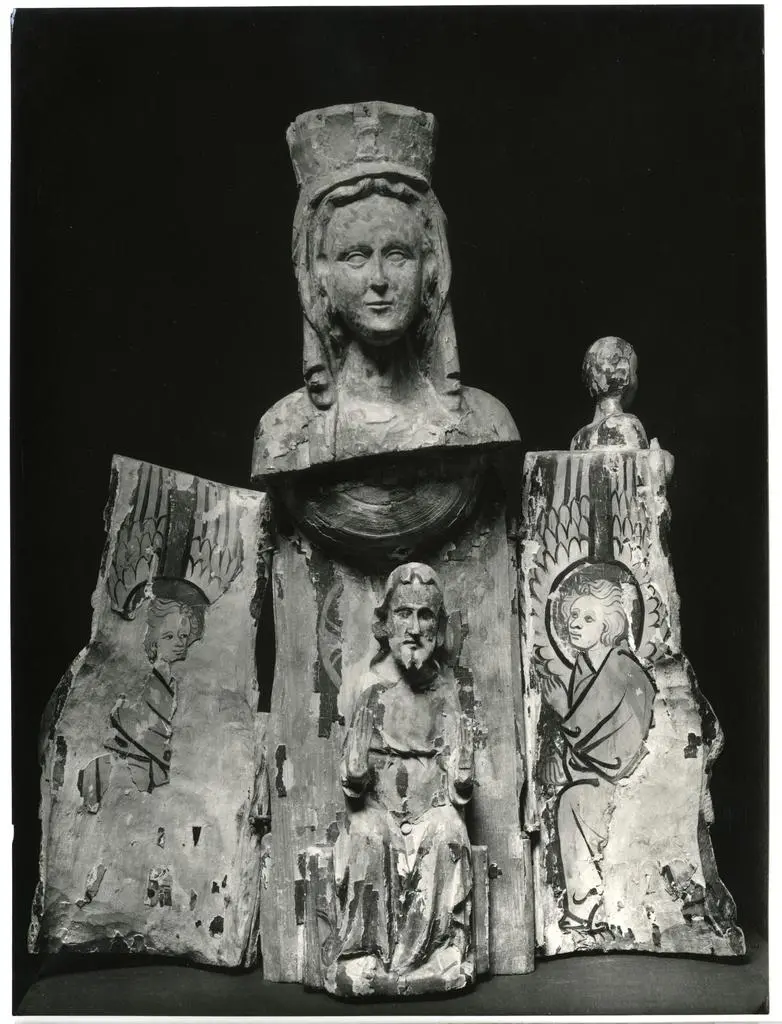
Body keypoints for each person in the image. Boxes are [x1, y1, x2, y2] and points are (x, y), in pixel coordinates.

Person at [324, 563, 475, 996]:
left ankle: (439, 953)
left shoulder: (443, 689)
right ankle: (363, 955)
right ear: (385, 622)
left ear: (438, 628)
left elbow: (454, 774)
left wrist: (461, 781)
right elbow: (353, 777)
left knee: (449, 833)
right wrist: (355, 775)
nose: (413, 628)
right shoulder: (366, 684)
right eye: (403, 614)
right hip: (379, 810)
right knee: (367, 835)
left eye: (425, 616)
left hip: (428, 810)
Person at [550, 578, 655, 933]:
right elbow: (583, 746)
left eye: (587, 618)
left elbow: (623, 744)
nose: (575, 624)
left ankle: (589, 906)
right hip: (595, 780)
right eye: (572, 615)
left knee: (573, 801)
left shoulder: (624, 669)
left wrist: (563, 711)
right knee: (571, 798)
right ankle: (588, 905)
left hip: (631, 782)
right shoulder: (582, 671)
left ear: (608, 625)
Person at [104, 597, 203, 793]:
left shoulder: (171, 682)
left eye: (183, 636)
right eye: (169, 636)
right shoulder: (149, 682)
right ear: (154, 640)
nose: (179, 643)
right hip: (138, 762)